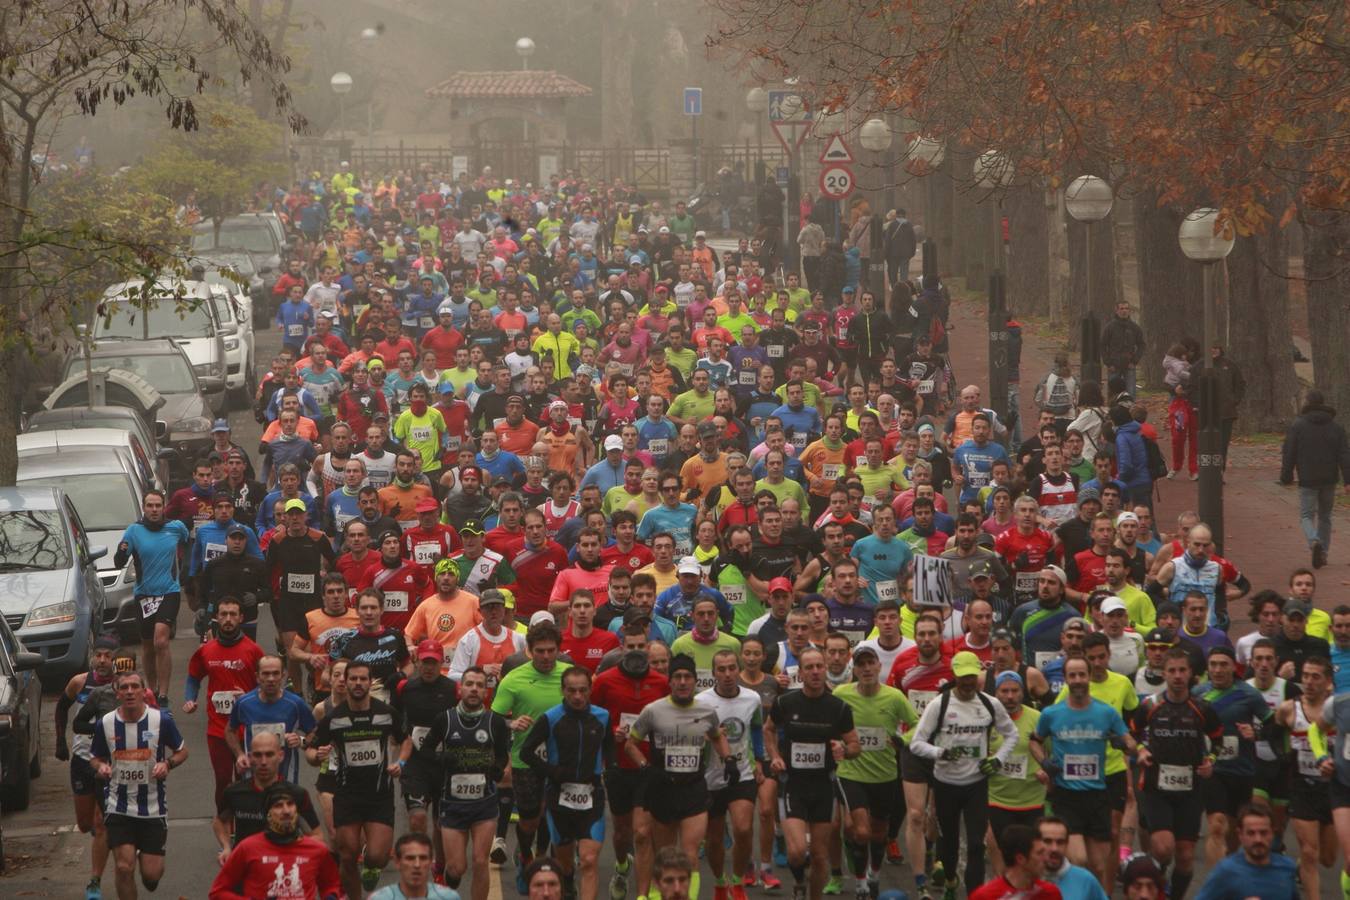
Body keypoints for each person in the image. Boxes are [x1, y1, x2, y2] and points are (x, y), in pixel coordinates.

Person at [626, 653, 737, 900]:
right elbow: (630, 744)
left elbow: (717, 736)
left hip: (694, 787)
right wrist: (645, 766)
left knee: (689, 854)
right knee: (665, 856)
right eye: (677, 677)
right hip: (663, 787)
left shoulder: (707, 711)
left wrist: (728, 760)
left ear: (696, 681)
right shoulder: (653, 710)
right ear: (670, 681)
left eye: (688, 677)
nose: (683, 682)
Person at [910, 651, 1020, 896]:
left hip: (976, 784)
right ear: (955, 676)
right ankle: (950, 881)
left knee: (974, 845)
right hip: (946, 783)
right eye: (963, 678)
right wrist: (941, 752)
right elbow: (916, 744)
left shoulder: (990, 703)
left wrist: (998, 760)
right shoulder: (940, 704)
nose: (968, 683)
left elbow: (1012, 734)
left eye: (972, 677)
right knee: (948, 845)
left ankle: (975, 894)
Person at [764, 647, 862, 900]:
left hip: (823, 786)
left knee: (820, 856)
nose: (816, 672)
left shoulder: (839, 707)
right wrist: (774, 756)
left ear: (825, 667)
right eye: (809, 667)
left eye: (819, 666)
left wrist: (844, 749)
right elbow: (769, 729)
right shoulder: (785, 702)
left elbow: (854, 745)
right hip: (793, 784)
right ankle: (798, 881)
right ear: (802, 672)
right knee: (797, 852)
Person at [1031, 657, 1134, 891]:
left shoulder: (1105, 713)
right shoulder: (1051, 713)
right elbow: (1034, 742)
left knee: (1098, 866)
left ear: (1088, 676)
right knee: (1078, 860)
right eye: (1072, 676)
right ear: (1066, 680)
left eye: (1081, 675)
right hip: (1066, 797)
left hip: (1098, 796)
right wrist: (1045, 762)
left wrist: (1124, 744)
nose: (1077, 680)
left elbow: (1129, 741)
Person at [89, 668, 189, 900]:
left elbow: (183, 751)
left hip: (153, 808)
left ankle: (149, 871)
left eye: (135, 687)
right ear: (117, 693)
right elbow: (95, 757)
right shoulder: (106, 723)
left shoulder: (160, 720)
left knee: (151, 876)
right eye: (124, 687)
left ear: (144, 692)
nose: (130, 692)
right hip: (118, 806)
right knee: (124, 868)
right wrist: (101, 767)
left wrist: (168, 764)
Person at [1132, 648, 1223, 900]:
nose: (1177, 676)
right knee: (1163, 848)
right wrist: (1140, 750)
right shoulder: (1150, 705)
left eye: (1182, 670)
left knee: (1184, 856)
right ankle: (1157, 878)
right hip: (1156, 787)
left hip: (1190, 789)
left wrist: (1211, 761)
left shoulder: (1202, 708)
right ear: (1164, 673)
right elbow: (1131, 734)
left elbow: (1218, 739)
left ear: (1191, 673)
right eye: (1172, 671)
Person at [412, 667, 509, 900]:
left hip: (484, 803)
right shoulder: (444, 719)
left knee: (479, 861)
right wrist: (439, 758)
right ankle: (449, 878)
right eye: (469, 684)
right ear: (461, 688)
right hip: (452, 803)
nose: (474, 689)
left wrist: (497, 768)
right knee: (457, 868)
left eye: (479, 685)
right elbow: (424, 751)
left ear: (486, 692)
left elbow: (502, 754)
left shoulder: (494, 721)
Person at [314, 658, 407, 897]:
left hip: (379, 795)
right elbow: (311, 749)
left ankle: (371, 866)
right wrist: (317, 754)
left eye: (362, 679)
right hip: (346, 795)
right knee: (347, 854)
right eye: (352, 678)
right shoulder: (334, 718)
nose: (357, 683)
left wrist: (401, 762)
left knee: (377, 856)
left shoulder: (386, 713)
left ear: (370, 682)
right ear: (345, 682)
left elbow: (406, 739)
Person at [833, 645, 917, 900]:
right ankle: (860, 884)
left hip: (884, 774)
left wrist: (902, 740)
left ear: (880, 667)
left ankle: (874, 876)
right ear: (854, 669)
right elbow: (831, 723)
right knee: (861, 831)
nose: (867, 669)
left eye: (871, 664)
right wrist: (836, 744)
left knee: (879, 832)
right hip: (851, 771)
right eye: (861, 665)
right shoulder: (841, 694)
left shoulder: (894, 697)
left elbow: (917, 725)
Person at [521, 665, 611, 900]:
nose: (578, 696)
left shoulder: (603, 717)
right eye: (572, 691)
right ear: (563, 691)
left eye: (582, 690)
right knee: (565, 864)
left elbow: (610, 753)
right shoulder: (550, 718)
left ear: (590, 690)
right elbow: (526, 752)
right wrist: (553, 771)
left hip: (592, 798)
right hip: (559, 798)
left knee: (589, 861)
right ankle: (568, 883)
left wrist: (609, 776)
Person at [491, 621, 567, 893]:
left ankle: (542, 861)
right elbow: (494, 719)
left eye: (551, 651)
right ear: (529, 651)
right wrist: (512, 724)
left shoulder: (570, 676)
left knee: (553, 814)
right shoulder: (514, 679)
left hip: (560, 760)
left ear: (559, 650)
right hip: (526, 761)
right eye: (540, 651)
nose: (546, 657)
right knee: (530, 820)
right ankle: (525, 854)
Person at [181, 596, 264, 810]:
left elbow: (268, 687)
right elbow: (193, 678)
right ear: (217, 618)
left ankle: (247, 825)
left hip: (247, 729)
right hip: (217, 728)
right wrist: (190, 699)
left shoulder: (253, 650)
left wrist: (249, 697)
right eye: (224, 614)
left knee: (248, 781)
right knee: (223, 780)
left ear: (241, 618)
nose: (228, 619)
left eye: (233, 614)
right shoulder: (206, 651)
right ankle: (225, 822)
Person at [696, 648, 766, 900]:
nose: (727, 674)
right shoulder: (701, 701)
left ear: (739, 669)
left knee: (744, 828)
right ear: (713, 673)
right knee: (714, 840)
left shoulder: (752, 698)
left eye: (731, 668)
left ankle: (737, 881)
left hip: (742, 773)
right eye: (721, 669)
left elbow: (757, 729)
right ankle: (718, 882)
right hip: (711, 777)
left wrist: (759, 759)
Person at [1194, 646, 1271, 865]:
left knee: (1233, 835)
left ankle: (1230, 871)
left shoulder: (1249, 694)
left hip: (1242, 771)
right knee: (1217, 826)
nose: (1218, 670)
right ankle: (1217, 884)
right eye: (1213, 665)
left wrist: (1256, 733)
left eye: (1223, 664)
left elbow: (1274, 726)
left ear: (1233, 667)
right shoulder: (1198, 694)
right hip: (1213, 770)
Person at [115, 489, 191, 705]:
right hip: (144, 595)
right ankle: (151, 689)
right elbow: (119, 562)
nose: (154, 510)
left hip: (169, 591)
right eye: (150, 505)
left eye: (158, 505)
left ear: (164, 507)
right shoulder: (134, 530)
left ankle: (164, 694)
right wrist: (121, 552)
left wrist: (187, 569)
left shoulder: (175, 528)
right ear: (144, 507)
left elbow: (189, 543)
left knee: (161, 640)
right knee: (148, 645)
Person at [208, 782, 341, 900]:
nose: (286, 811)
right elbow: (217, 892)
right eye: (278, 806)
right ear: (268, 814)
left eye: (290, 804)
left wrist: (331, 897)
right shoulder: (247, 848)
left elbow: (331, 885)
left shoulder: (317, 850)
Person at [213, 731, 320, 857]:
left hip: (283, 867)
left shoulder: (296, 794)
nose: (263, 761)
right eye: (258, 755)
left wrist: (300, 857)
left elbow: (316, 835)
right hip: (247, 865)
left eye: (269, 755)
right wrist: (227, 847)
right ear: (250, 757)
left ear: (280, 756)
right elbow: (219, 822)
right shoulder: (234, 792)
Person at [1279, 388, 1350, 569]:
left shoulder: (1298, 425)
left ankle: (1313, 540)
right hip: (1329, 479)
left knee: (1306, 515)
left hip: (1307, 478)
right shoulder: (1336, 427)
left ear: (1307, 403)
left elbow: (1289, 452)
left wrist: (1286, 476)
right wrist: (1347, 480)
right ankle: (1324, 552)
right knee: (1325, 516)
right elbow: (1344, 455)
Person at [1192, 806, 1298, 900]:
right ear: (1240, 835)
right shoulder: (1226, 871)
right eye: (1251, 833)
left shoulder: (1287, 867)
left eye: (1263, 832)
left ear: (1273, 834)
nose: (1258, 839)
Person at [966, 824, 1061, 900]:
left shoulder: (1051, 893)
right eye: (1040, 853)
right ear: (1020, 859)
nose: (1046, 858)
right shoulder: (984, 897)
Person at [367, 832, 462, 900]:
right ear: (397, 862)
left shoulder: (449, 897)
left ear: (430, 862)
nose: (417, 865)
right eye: (410, 858)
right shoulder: (379, 898)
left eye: (423, 858)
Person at [1037, 817, 1107, 900]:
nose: (1054, 848)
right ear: (1035, 844)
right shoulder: (1025, 880)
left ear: (1067, 844)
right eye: (1047, 841)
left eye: (1060, 842)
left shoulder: (1085, 880)